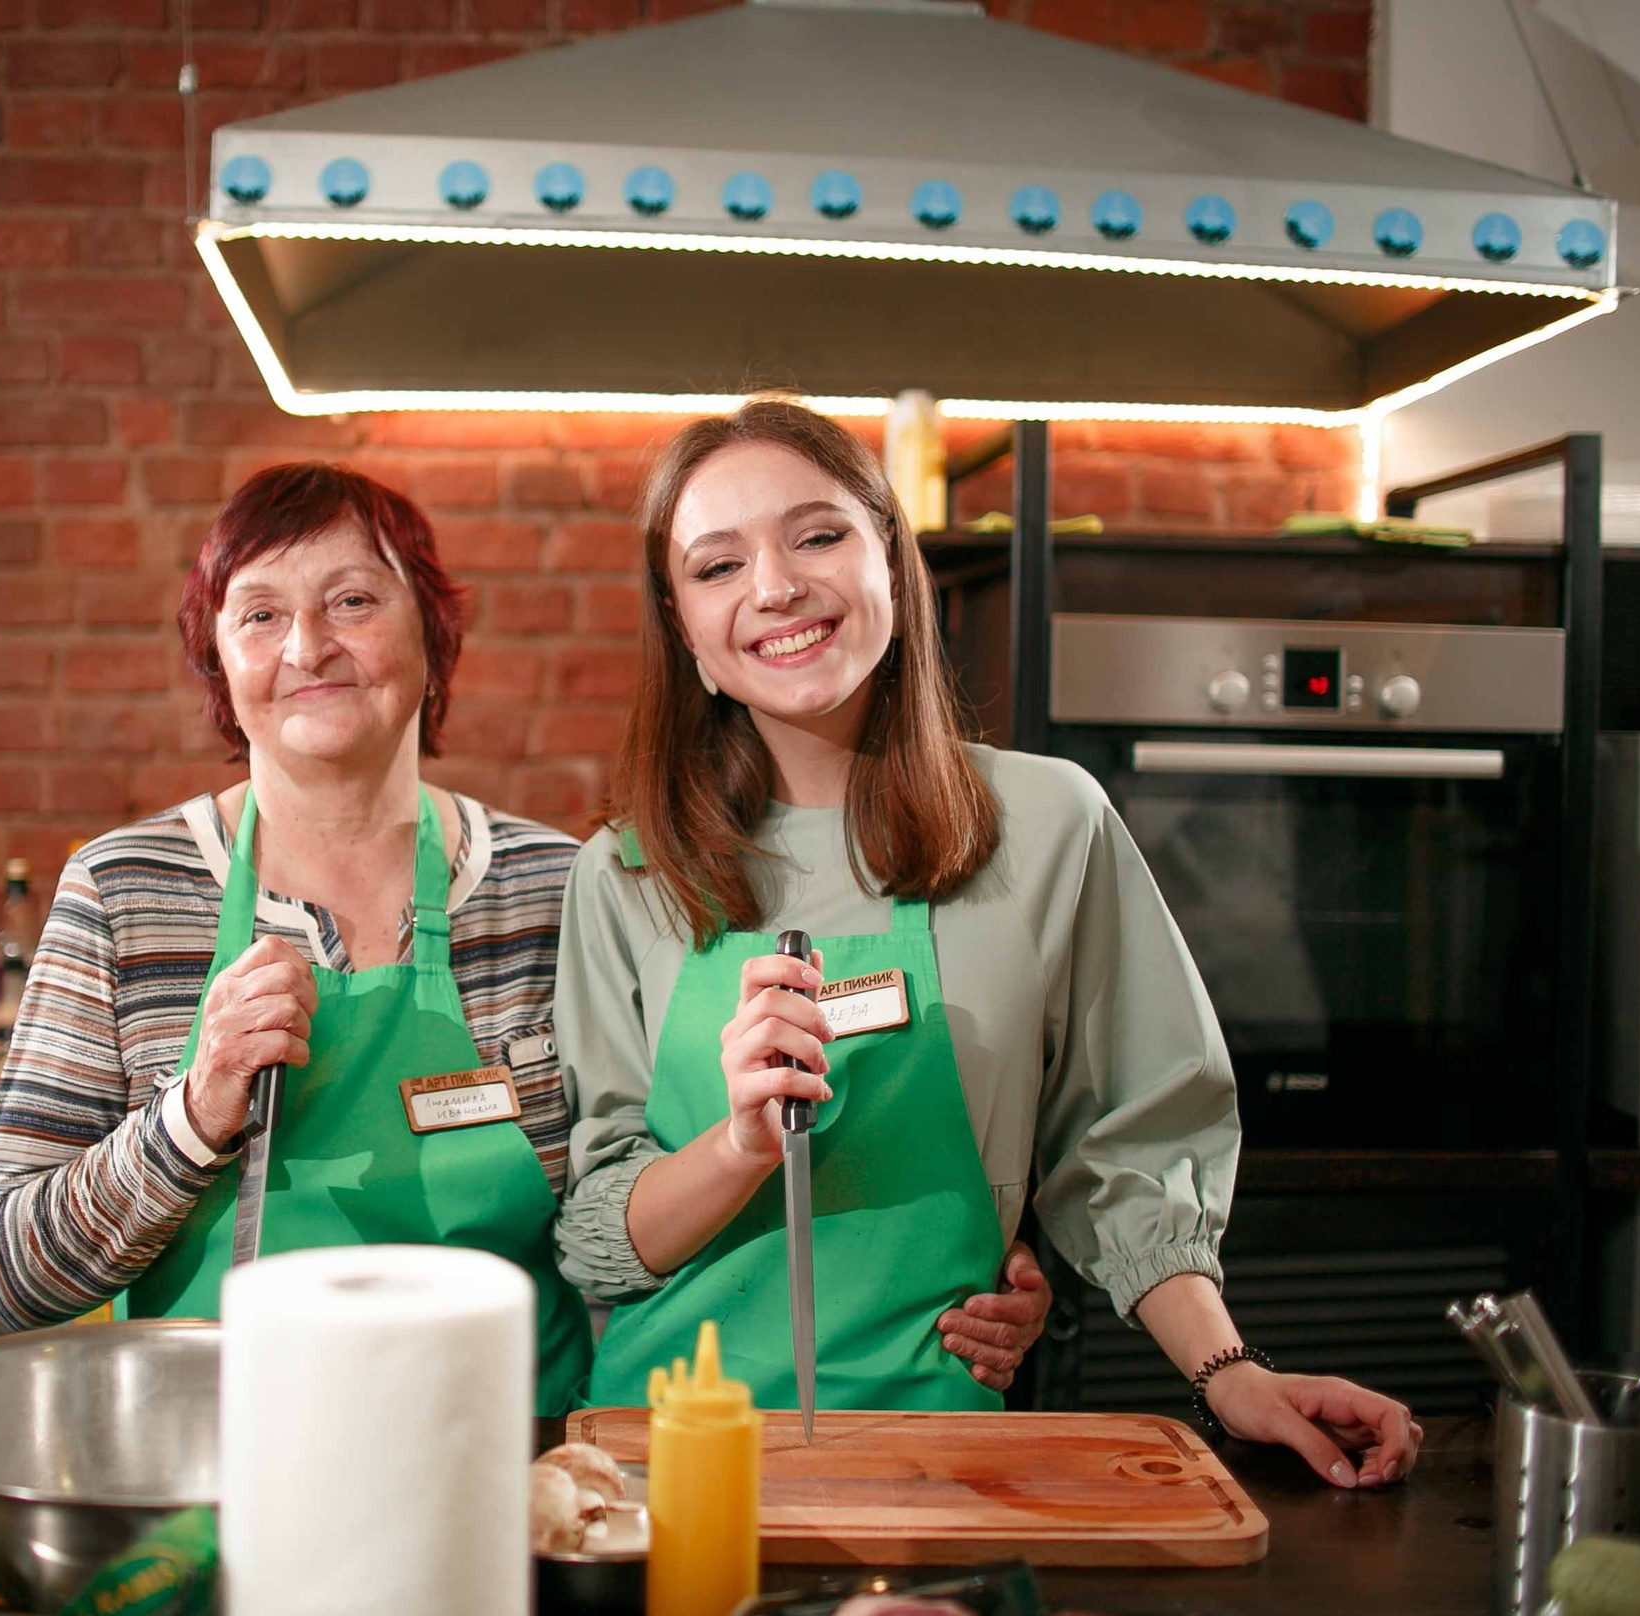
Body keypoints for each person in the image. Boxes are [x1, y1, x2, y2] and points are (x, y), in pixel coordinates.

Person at [553, 400, 1419, 1486]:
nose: (774, 586)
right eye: (717, 566)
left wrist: (1230, 1372)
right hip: (662, 1455)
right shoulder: (628, 874)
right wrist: (736, 1147)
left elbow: (1132, 1144)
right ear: (687, 633)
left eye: (817, 536)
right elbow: (597, 1230)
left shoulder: (1050, 824)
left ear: (893, 567)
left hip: (946, 1450)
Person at [0, 463, 592, 1414]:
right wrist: (195, 1111)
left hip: (506, 1462)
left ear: (433, 634)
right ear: (218, 658)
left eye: (352, 600)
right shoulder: (126, 890)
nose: (308, 645)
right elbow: (9, 1272)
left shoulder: (554, 888)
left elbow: (625, 1218)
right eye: (260, 614)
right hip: (218, 1464)